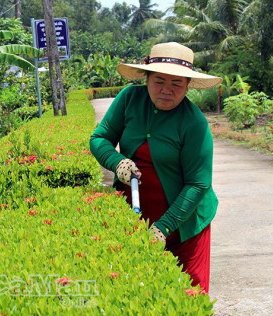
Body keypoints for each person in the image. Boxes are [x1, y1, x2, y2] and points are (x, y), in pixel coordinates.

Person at [89, 42, 222, 293]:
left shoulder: (194, 122)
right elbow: (99, 138)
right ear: (146, 78)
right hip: (136, 216)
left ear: (187, 87)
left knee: (187, 295)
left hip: (185, 224)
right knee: (139, 292)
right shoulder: (129, 99)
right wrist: (117, 162)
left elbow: (198, 183)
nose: (166, 91)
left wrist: (164, 226)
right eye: (159, 81)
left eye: (176, 84)